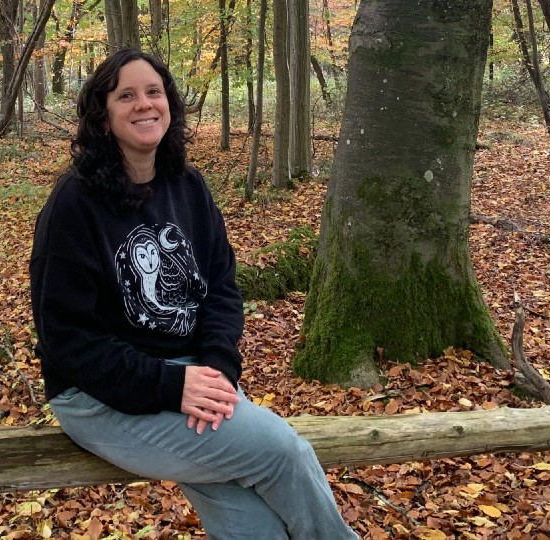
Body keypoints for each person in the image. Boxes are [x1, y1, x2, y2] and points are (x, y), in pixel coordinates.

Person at [29, 48, 357, 540]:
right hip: (98, 397)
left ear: (170, 104)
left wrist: (218, 367)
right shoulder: (74, 206)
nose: (144, 104)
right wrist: (170, 386)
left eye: (154, 92)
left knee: (249, 521)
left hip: (194, 375)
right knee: (281, 452)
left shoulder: (188, 186)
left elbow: (222, 288)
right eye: (127, 96)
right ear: (102, 117)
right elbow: (68, 340)